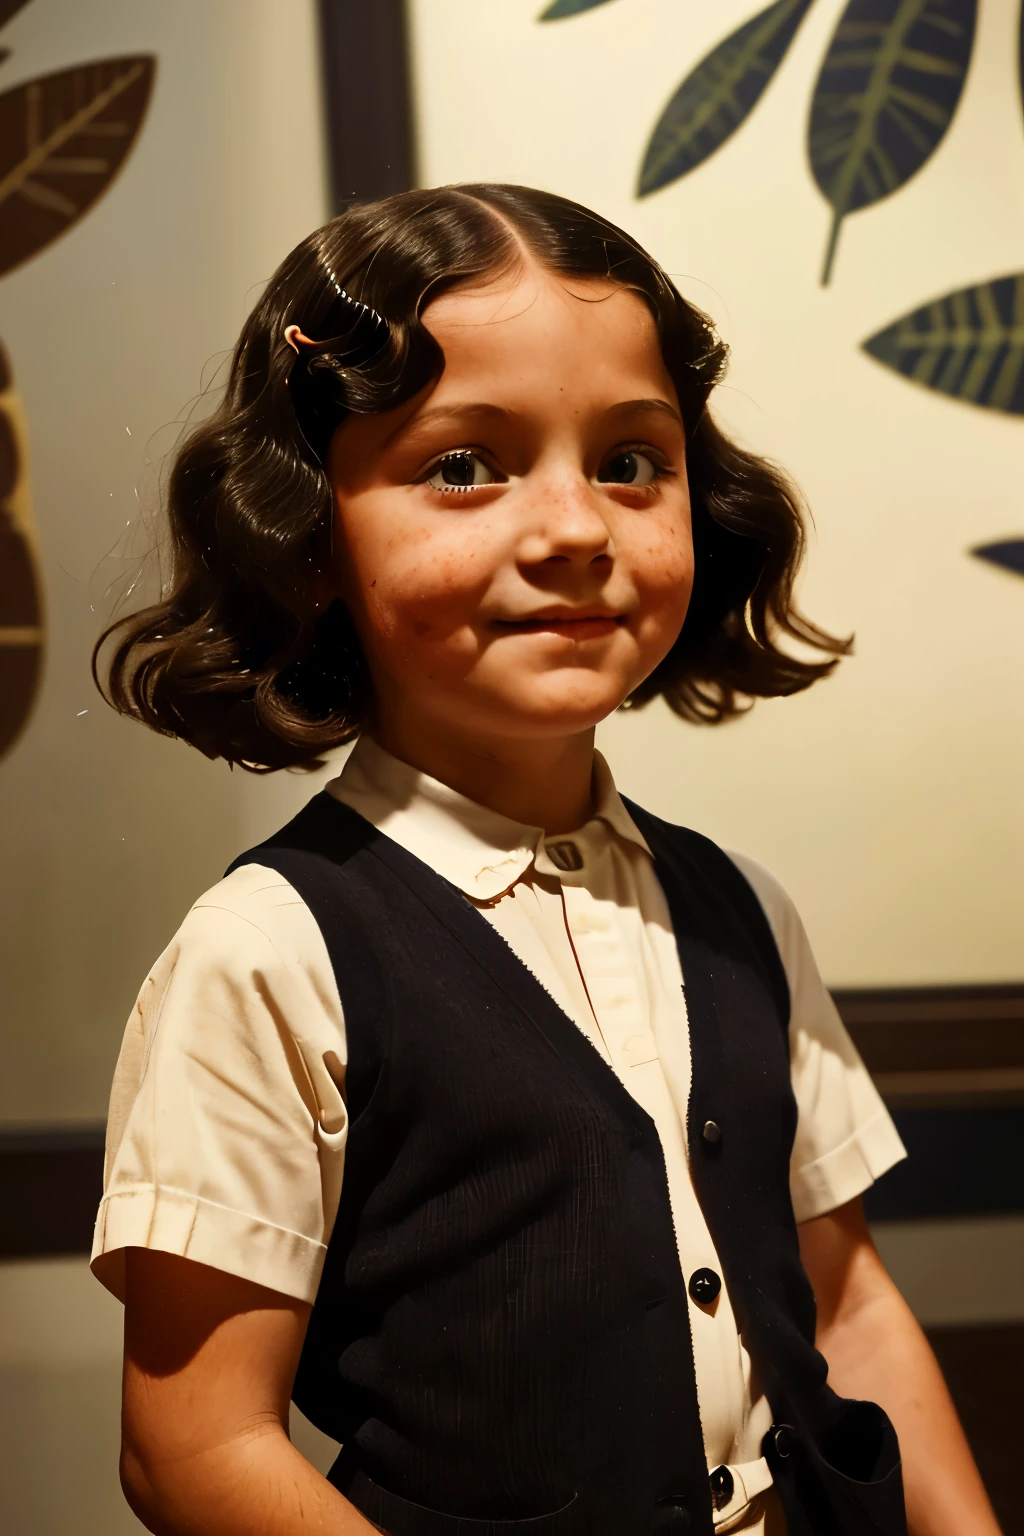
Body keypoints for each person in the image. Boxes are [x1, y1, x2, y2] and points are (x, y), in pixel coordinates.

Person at [90, 185, 1000, 1536]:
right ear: (307, 531)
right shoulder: (270, 954)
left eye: (633, 460)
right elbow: (195, 1447)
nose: (578, 528)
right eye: (465, 465)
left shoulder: (744, 911)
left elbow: (850, 1307)